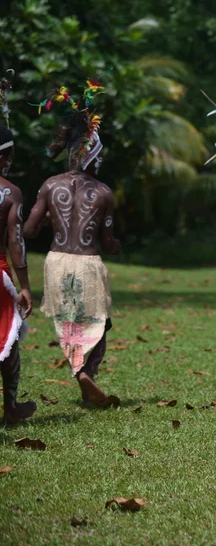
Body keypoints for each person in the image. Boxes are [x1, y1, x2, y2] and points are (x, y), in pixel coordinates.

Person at [24, 107, 122, 408]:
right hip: (87, 264)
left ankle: (81, 374)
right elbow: (107, 243)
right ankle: (85, 372)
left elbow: (27, 232)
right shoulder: (103, 192)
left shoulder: (50, 185)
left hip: (56, 262)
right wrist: (117, 243)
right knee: (100, 323)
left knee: (69, 322)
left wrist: (42, 221)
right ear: (95, 157)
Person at [0, 128, 35, 424]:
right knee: (7, 341)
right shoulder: (10, 193)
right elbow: (16, 241)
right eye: (10, 155)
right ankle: (10, 408)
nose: (12, 160)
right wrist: (24, 286)